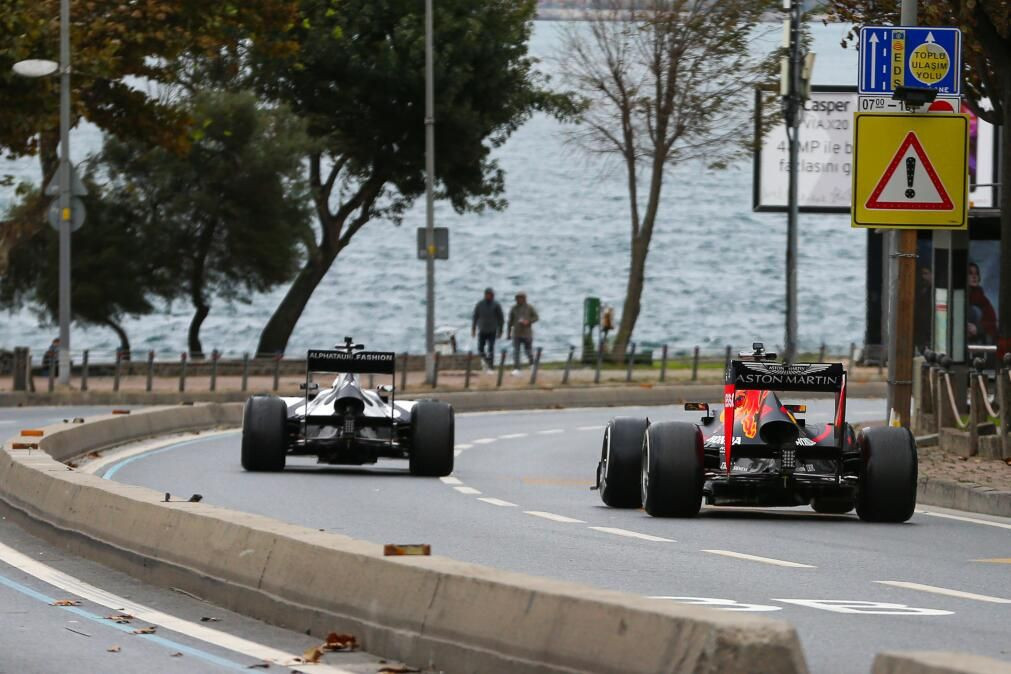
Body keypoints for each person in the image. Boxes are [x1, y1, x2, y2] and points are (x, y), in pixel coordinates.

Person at [471, 287, 504, 371]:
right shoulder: (480, 304)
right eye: (488, 294)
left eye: (491, 295)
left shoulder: (496, 305)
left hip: (492, 330)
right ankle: (487, 361)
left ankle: (491, 366)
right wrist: (473, 329)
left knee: (491, 348)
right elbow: (475, 317)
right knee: (480, 349)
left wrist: (500, 331)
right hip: (482, 329)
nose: (490, 296)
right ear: (485, 295)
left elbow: (501, 319)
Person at [507, 291, 539, 374]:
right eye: (517, 298)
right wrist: (508, 333)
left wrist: (528, 321)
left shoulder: (529, 307)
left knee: (528, 350)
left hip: (527, 333)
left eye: (521, 298)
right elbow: (510, 322)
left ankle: (532, 364)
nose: (519, 300)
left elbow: (536, 317)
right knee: (516, 351)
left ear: (524, 299)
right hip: (516, 334)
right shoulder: (513, 308)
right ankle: (517, 368)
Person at [967, 262, 997, 345]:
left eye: (976, 273)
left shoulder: (983, 300)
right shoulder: (959, 298)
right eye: (970, 273)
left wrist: (977, 328)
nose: (974, 276)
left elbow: (992, 323)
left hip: (980, 344)